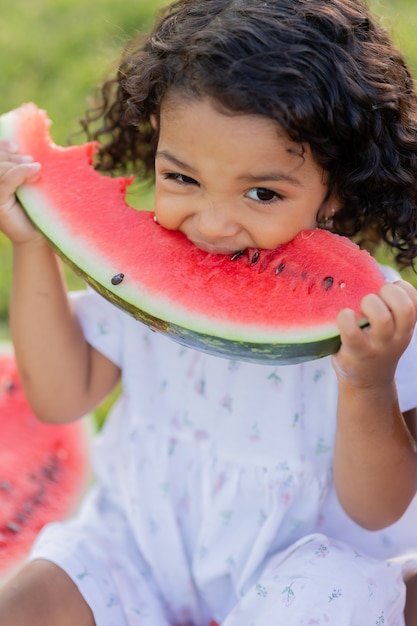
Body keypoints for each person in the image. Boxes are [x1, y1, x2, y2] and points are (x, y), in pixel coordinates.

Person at [1, 0, 417, 624]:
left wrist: (369, 382)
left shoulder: (374, 321)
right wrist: (35, 244)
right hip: (137, 546)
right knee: (28, 599)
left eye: (262, 193)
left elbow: (378, 507)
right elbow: (62, 399)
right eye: (182, 179)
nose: (214, 224)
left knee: (338, 596)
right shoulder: (141, 284)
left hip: (296, 573)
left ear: (336, 190)